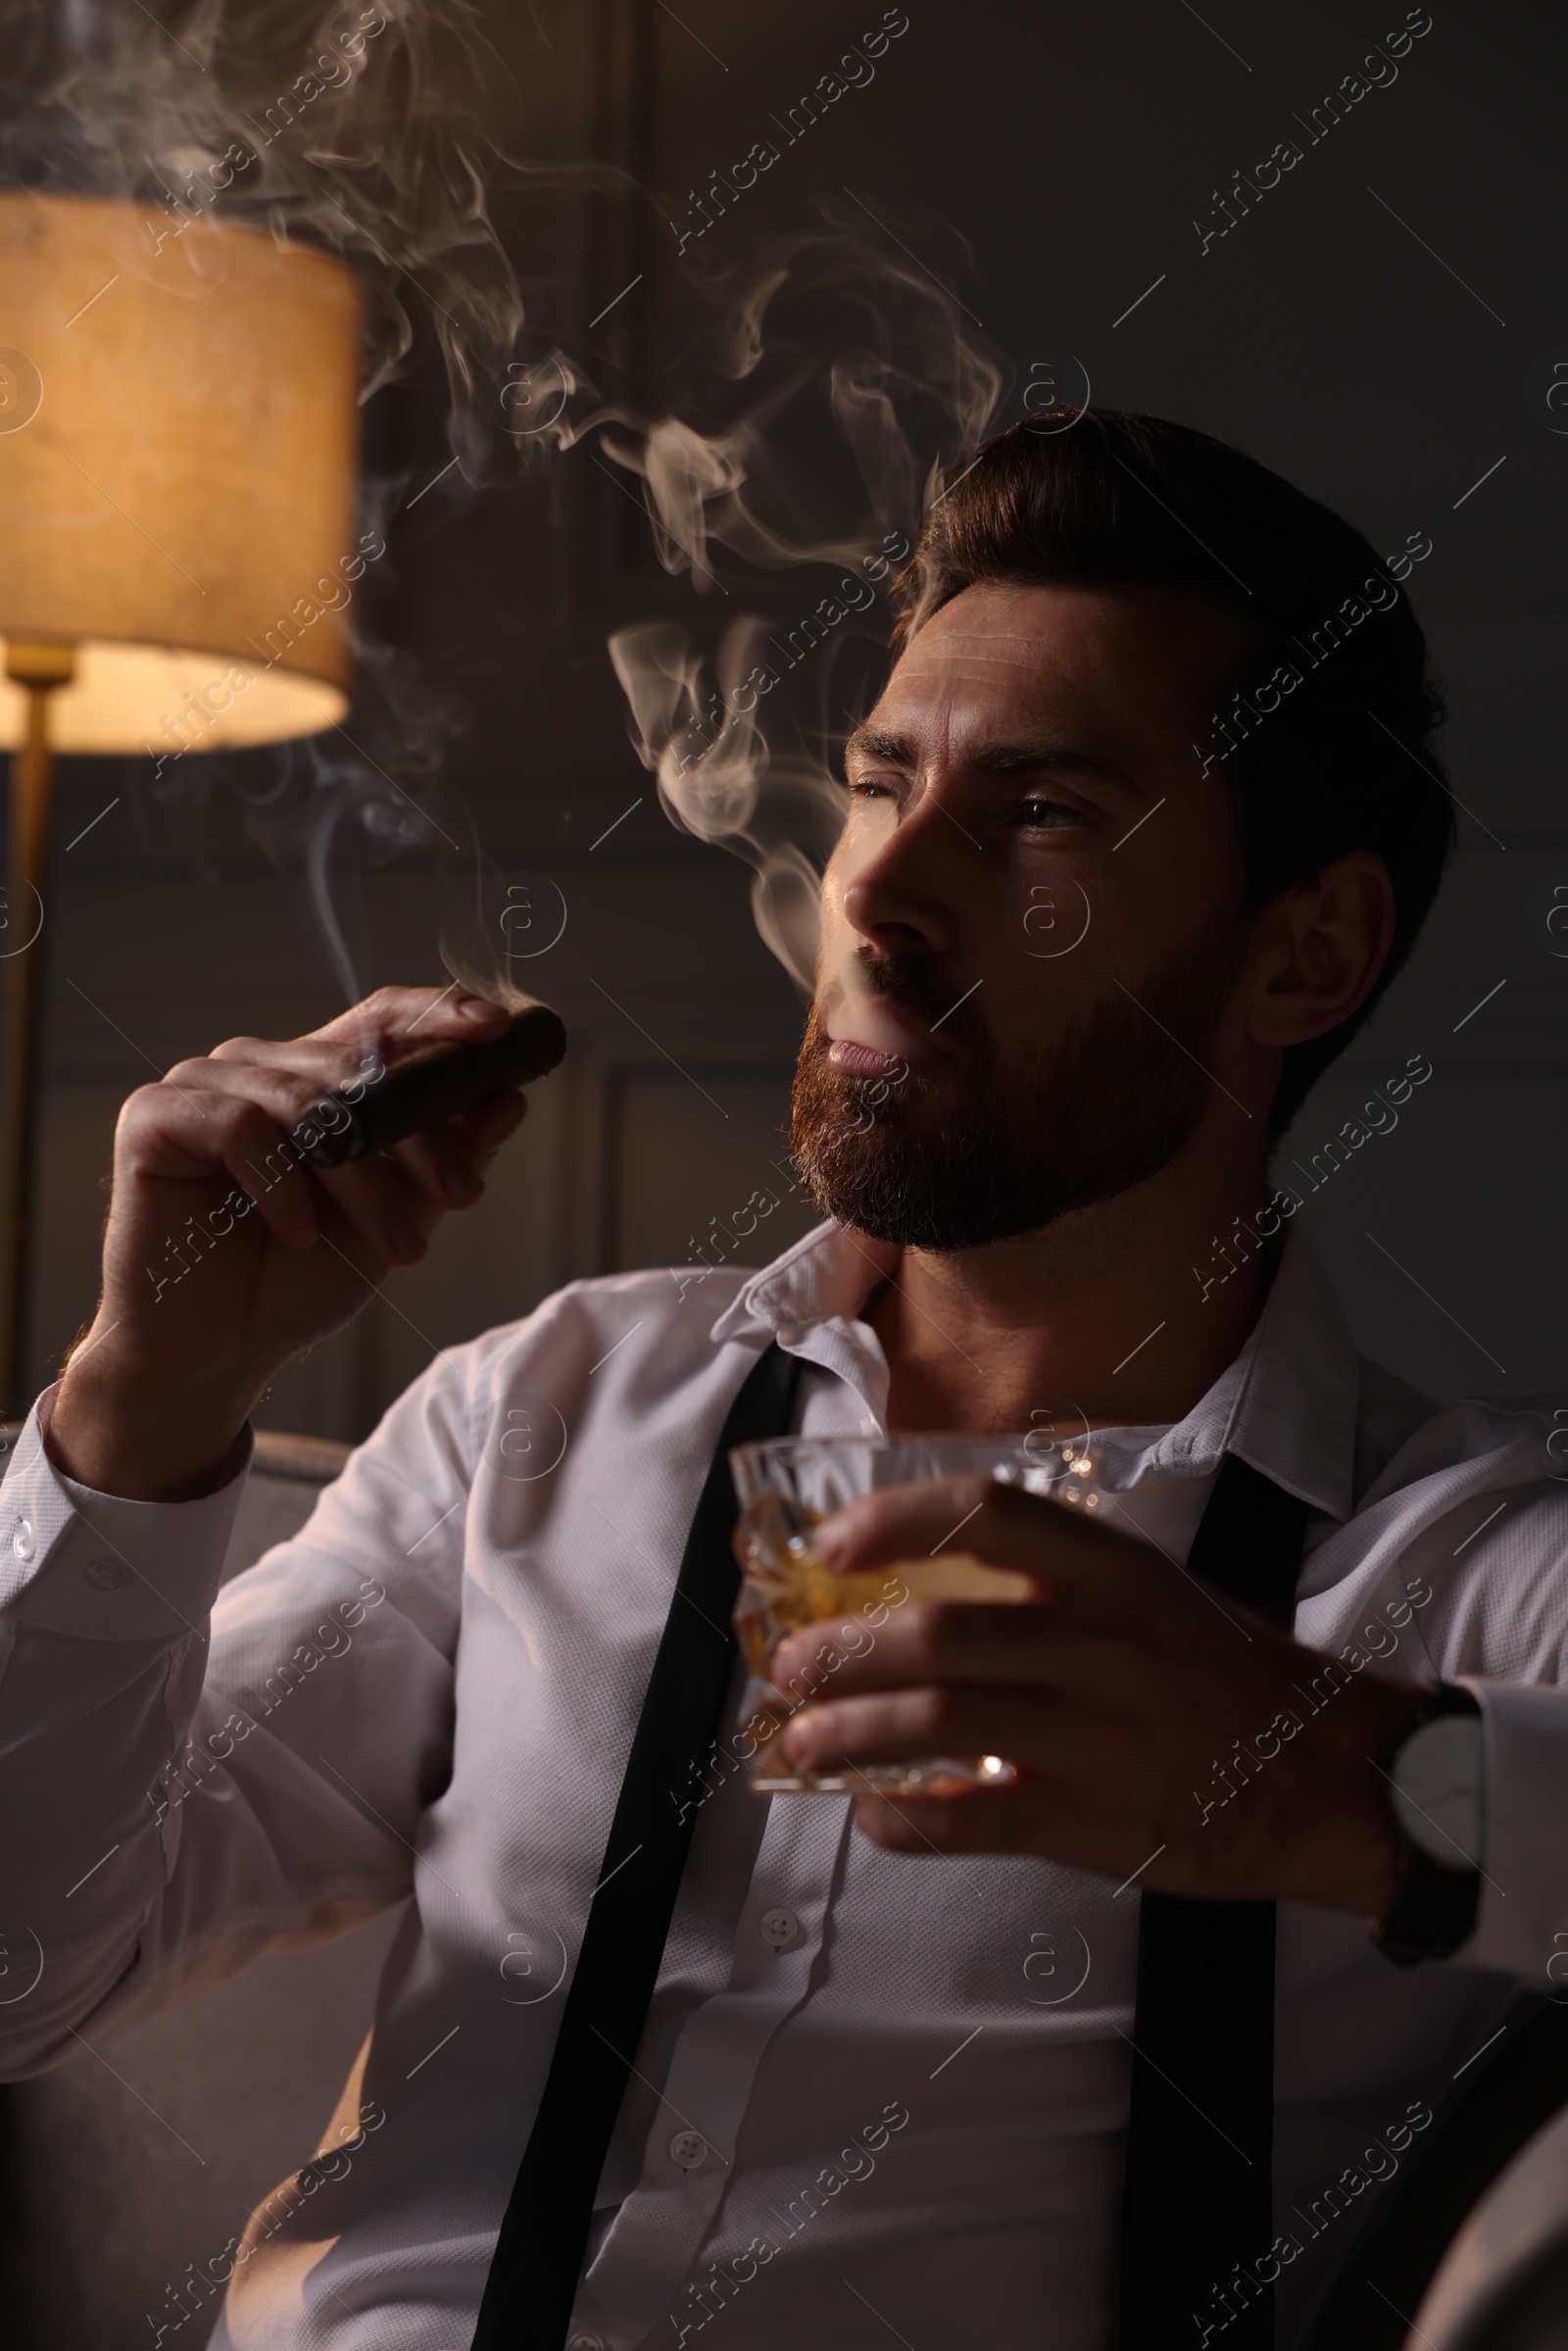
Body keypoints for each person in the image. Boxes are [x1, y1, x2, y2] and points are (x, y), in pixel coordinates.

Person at [1, 410, 1563, 2351]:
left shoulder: (1470, 1567)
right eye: (876, 785)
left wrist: (1335, 1774)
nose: (880, 894)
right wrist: (140, 1408)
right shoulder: (540, 1417)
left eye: (1041, 815)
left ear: (1304, 953)